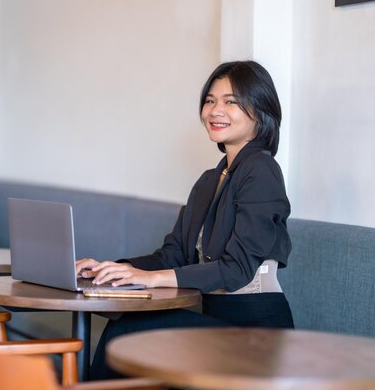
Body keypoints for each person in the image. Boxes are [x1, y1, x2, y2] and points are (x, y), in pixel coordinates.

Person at [75, 60, 294, 380]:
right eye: (210, 100)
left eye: (231, 101)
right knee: (125, 328)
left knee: (128, 331)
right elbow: (173, 254)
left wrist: (151, 279)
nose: (215, 110)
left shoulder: (261, 169)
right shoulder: (210, 179)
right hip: (219, 325)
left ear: (260, 111)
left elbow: (236, 269)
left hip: (256, 332)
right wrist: (113, 269)